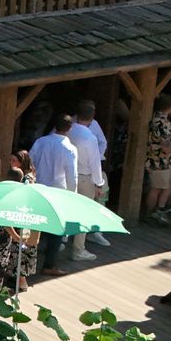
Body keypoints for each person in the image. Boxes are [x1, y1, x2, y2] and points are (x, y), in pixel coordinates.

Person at [27, 115, 80, 277]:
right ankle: (49, 264)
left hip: (38, 189)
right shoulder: (69, 149)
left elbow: (30, 162)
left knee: (35, 227)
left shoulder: (41, 142)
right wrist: (73, 196)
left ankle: (27, 264)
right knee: (57, 230)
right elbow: (72, 176)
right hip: (58, 192)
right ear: (70, 128)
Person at [68, 104, 109, 258]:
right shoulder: (89, 137)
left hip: (69, 175)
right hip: (85, 178)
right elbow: (95, 162)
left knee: (68, 209)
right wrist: (99, 183)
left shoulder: (68, 130)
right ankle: (78, 249)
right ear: (92, 118)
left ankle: (62, 241)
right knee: (83, 214)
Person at [145, 94, 171, 221]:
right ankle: (150, 214)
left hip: (164, 161)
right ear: (170, 107)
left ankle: (160, 208)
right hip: (157, 161)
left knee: (170, 180)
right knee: (156, 188)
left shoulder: (160, 119)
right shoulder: (161, 123)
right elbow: (166, 147)